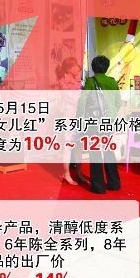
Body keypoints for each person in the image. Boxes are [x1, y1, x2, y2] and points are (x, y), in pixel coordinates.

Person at [83, 55, 121, 194]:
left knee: (95, 153)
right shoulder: (112, 82)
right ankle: (114, 183)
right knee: (109, 151)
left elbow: (82, 102)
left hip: (94, 122)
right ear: (106, 67)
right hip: (108, 122)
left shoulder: (90, 81)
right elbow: (118, 103)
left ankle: (98, 187)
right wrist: (111, 117)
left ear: (93, 68)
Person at [54, 57, 86, 185]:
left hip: (77, 117)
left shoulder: (77, 82)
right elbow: (74, 100)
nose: (78, 68)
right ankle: (67, 174)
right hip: (67, 117)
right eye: (75, 66)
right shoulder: (62, 83)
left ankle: (78, 173)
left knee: (78, 145)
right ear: (68, 69)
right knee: (67, 146)